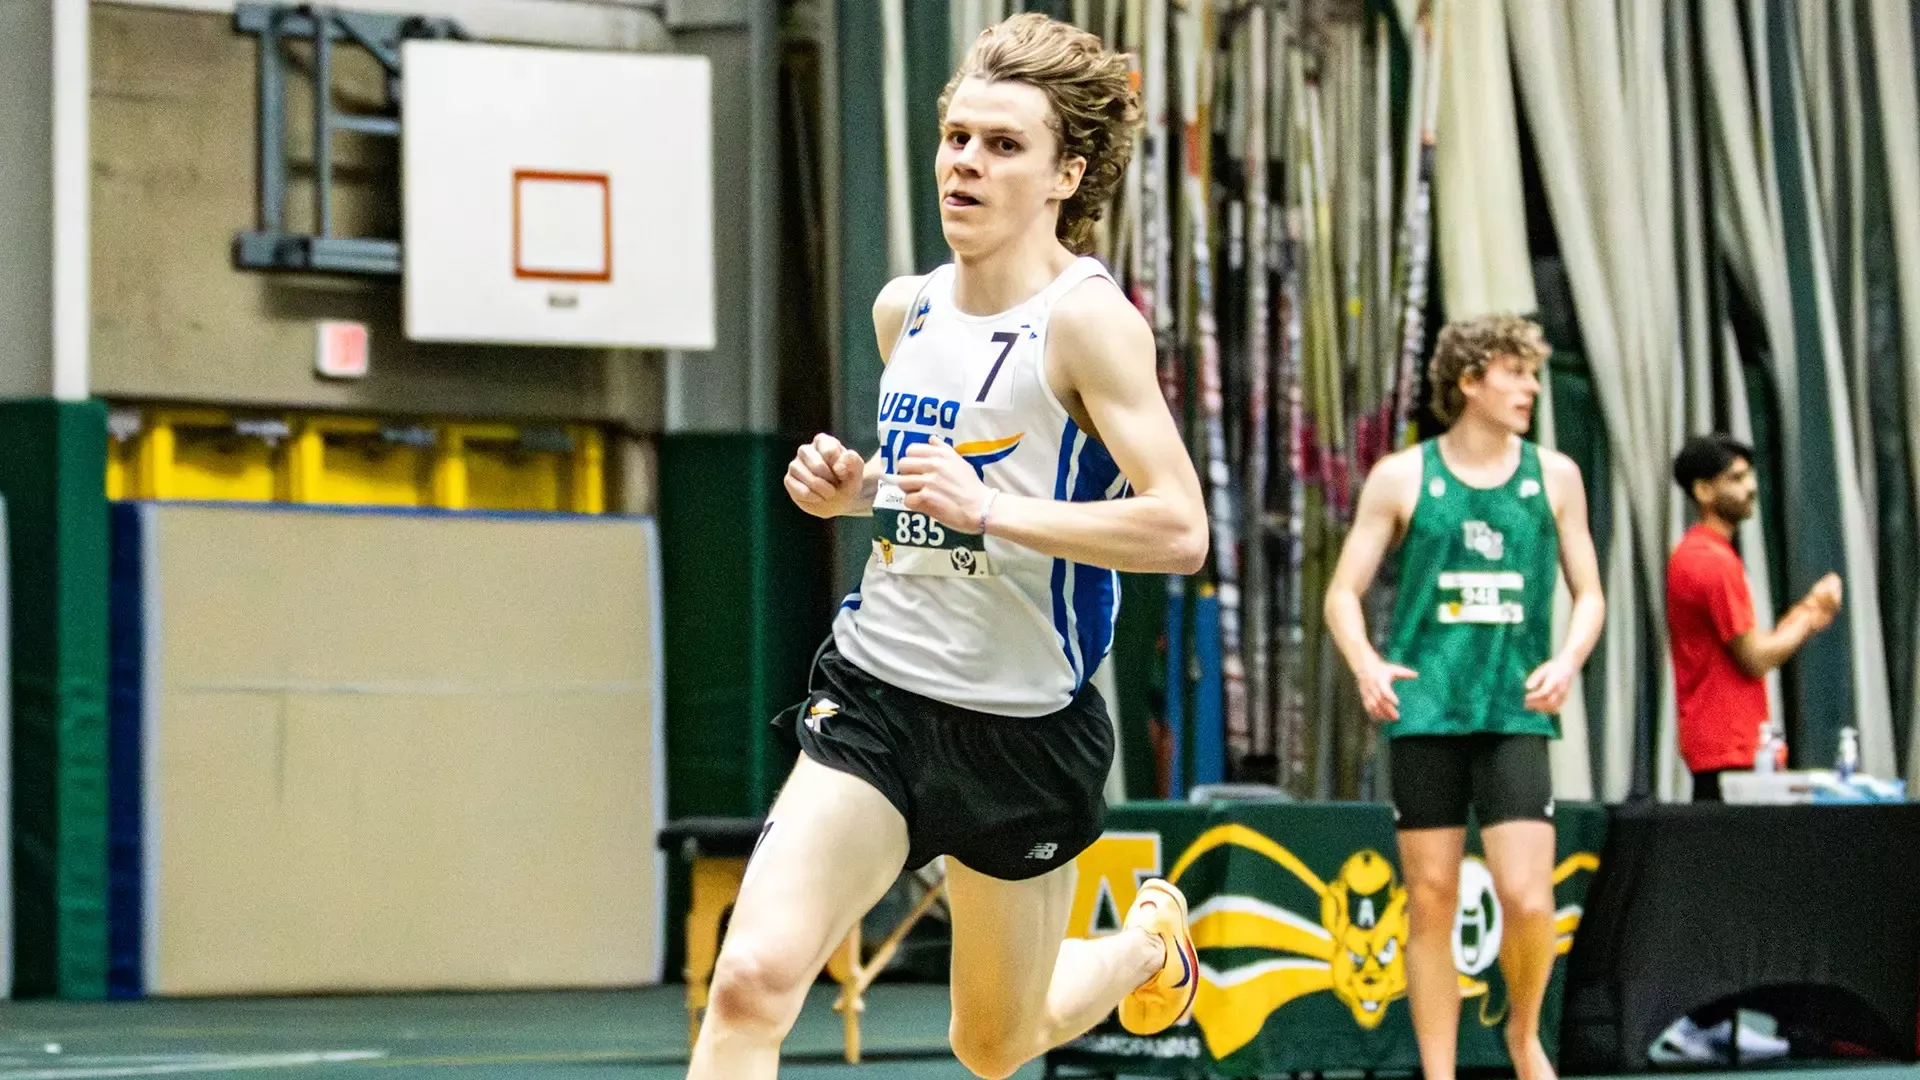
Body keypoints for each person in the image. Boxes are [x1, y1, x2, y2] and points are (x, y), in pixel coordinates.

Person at [688, 15, 1208, 1080]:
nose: (965, 162)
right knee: (751, 982)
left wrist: (993, 514)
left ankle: (1152, 944)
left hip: (1023, 732)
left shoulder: (1087, 323)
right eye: (956, 137)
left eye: (1003, 145)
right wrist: (857, 494)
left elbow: (1178, 530)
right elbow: (931, 492)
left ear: (1068, 173)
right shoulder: (905, 310)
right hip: (878, 701)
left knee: (993, 1047)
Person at [1323, 315, 1605, 1080]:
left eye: (1535, 374)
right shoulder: (1403, 476)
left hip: (1515, 710)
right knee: (1432, 899)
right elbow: (1343, 593)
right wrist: (1366, 665)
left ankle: (1522, 1036)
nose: (1531, 389)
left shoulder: (1555, 476)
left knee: (1526, 896)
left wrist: (1570, 658)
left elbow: (1590, 594)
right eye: (1516, 373)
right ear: (1470, 381)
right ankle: (1439, 1071)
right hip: (1426, 713)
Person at [1665, 433, 1841, 802]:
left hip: (1725, 746)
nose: (1751, 487)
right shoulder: (1712, 561)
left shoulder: (1699, 554)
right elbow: (1755, 657)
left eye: (1749, 476)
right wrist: (1810, 616)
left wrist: (1807, 612)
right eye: (1736, 478)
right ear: (1703, 491)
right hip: (1729, 748)